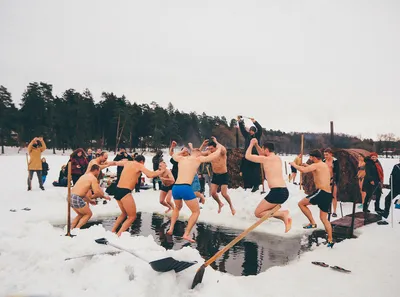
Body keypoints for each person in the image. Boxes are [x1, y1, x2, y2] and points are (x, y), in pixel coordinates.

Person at [167, 146, 223, 242]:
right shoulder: (198, 159)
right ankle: (186, 234)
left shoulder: (181, 158)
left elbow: (173, 155)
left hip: (176, 187)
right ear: (198, 153)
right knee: (196, 211)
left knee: (177, 207)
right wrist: (219, 149)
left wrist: (181, 152)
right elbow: (212, 156)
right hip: (185, 187)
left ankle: (171, 228)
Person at [245, 139, 292, 232]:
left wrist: (251, 144)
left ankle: (283, 214)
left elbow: (247, 156)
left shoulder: (266, 159)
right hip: (284, 191)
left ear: (266, 150)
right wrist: (257, 145)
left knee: (258, 213)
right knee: (266, 212)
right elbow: (262, 154)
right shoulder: (278, 158)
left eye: (263, 149)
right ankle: (284, 218)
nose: (261, 151)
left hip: (277, 192)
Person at [112, 155, 165, 236]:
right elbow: (150, 175)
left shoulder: (128, 162)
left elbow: (116, 162)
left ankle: (112, 231)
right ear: (142, 161)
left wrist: (103, 164)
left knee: (124, 214)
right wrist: (161, 171)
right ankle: (119, 235)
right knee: (132, 217)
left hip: (117, 190)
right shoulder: (139, 165)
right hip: (125, 192)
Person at [291, 150, 334, 248]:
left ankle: (312, 223)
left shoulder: (318, 165)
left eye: (311, 157)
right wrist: (306, 165)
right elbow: (313, 169)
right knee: (324, 219)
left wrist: (294, 164)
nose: (310, 159)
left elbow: (303, 171)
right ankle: (330, 240)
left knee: (301, 204)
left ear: (314, 157)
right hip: (327, 194)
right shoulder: (322, 165)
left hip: (321, 192)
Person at [199, 137, 236, 215]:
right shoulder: (209, 153)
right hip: (215, 175)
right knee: (213, 193)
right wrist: (203, 145)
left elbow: (223, 149)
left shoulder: (221, 152)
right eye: (209, 148)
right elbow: (198, 154)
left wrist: (216, 141)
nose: (210, 150)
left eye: (212, 148)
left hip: (223, 175)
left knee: (224, 193)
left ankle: (231, 206)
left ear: (216, 148)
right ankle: (220, 203)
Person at [69, 164, 111, 229]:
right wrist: (105, 197)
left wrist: (90, 200)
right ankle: (77, 229)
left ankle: (71, 229)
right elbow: (97, 192)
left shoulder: (84, 176)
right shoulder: (93, 178)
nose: (99, 173)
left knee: (81, 214)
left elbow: (83, 193)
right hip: (76, 197)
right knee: (88, 214)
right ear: (96, 170)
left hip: (70, 196)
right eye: (99, 171)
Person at [238, 116, 263, 192]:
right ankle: (248, 185)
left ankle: (256, 185)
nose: (250, 132)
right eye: (250, 130)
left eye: (252, 131)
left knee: (255, 171)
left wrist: (254, 121)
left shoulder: (257, 136)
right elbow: (242, 129)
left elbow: (260, 129)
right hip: (248, 155)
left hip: (255, 155)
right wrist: (240, 122)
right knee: (247, 171)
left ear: (254, 131)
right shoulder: (247, 136)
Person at [323, 148, 340, 217]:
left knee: (333, 196)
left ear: (331, 154)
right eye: (324, 155)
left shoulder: (335, 161)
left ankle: (334, 211)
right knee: (326, 195)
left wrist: (335, 180)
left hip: (332, 180)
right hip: (325, 180)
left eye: (327, 155)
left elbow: (337, 172)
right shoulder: (324, 161)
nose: (325, 156)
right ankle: (327, 209)